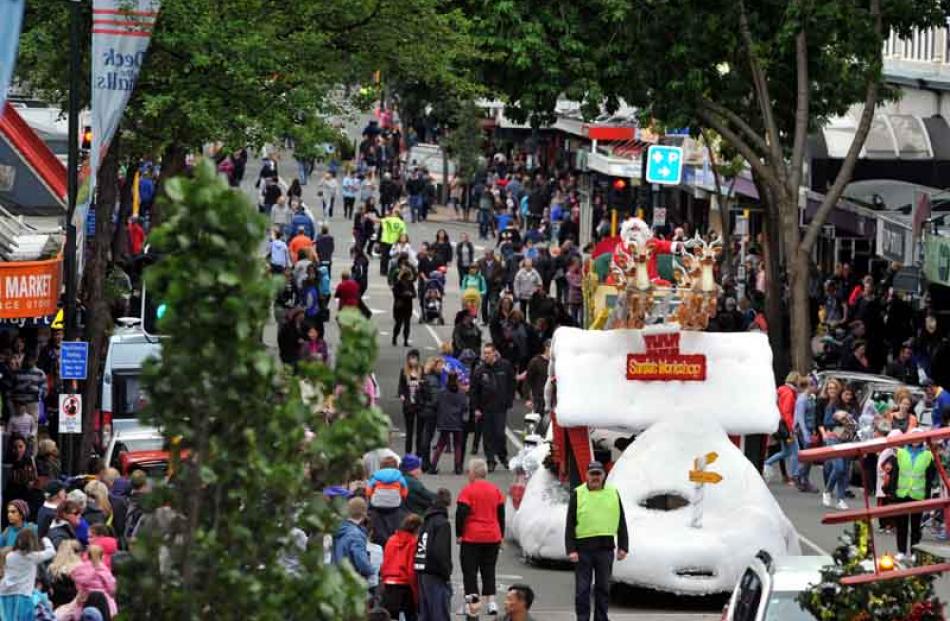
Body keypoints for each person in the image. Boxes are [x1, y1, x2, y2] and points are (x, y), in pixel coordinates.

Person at [566, 461, 629, 621]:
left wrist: (623, 545)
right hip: (583, 550)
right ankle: (582, 618)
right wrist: (571, 549)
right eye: (592, 474)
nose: (595, 477)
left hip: (605, 549)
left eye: (598, 474)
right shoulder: (578, 493)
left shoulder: (613, 492)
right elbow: (570, 524)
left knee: (603, 588)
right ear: (586, 475)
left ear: (603, 476)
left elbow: (621, 520)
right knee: (582, 590)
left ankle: (601, 618)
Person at [457, 458, 505, 617]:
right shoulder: (495, 490)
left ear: (472, 473)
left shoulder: (468, 491)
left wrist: (459, 534)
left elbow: (461, 514)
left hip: (472, 536)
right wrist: (501, 535)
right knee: (489, 569)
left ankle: (472, 604)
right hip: (493, 535)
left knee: (470, 571)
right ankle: (491, 601)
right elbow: (501, 514)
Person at [884, 432, 936, 557]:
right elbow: (894, 474)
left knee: (916, 527)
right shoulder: (900, 453)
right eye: (913, 438)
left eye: (918, 439)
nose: (915, 441)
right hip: (901, 494)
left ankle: (914, 552)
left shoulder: (928, 455)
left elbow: (930, 478)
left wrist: (927, 497)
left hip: (918, 495)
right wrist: (892, 493)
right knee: (901, 525)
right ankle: (901, 551)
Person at [470, 344, 516, 472]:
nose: (486, 356)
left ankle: (503, 456)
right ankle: (490, 460)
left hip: (500, 407)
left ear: (495, 353)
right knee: (487, 436)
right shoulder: (480, 371)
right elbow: (474, 391)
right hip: (485, 408)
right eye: (484, 353)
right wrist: (476, 408)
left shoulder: (505, 366)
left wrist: (509, 400)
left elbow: (512, 383)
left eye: (489, 353)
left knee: (500, 434)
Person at [414, 488, 453, 621]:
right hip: (435, 573)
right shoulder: (442, 523)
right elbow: (440, 551)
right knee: (439, 614)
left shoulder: (426, 520)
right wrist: (446, 572)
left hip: (422, 570)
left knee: (425, 614)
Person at [0, 530, 54, 620]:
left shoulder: (9, 556)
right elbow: (51, 552)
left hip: (4, 593)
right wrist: (45, 539)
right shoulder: (33, 557)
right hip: (23, 595)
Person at [381, 513, 422, 621]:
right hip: (404, 585)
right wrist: (416, 593)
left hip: (389, 584)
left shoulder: (391, 540)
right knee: (411, 616)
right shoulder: (413, 542)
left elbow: (385, 562)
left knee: (391, 617)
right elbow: (411, 570)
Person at [764, 372, 802, 485]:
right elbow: (787, 412)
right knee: (795, 452)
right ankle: (795, 476)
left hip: (780, 425)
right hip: (786, 427)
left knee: (785, 451)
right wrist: (791, 429)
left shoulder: (782, 390)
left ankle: (767, 463)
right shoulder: (789, 393)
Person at [431, 371, 468, 474]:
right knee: (458, 445)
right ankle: (458, 467)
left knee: (440, 445)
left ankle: (433, 466)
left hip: (444, 421)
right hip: (457, 421)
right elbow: (465, 407)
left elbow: (435, 404)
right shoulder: (461, 393)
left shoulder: (442, 392)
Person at [332, 497, 375, 580]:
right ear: (363, 513)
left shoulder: (338, 529)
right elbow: (361, 560)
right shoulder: (356, 535)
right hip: (351, 580)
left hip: (336, 578)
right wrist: (371, 571)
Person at [418, 357, 444, 471]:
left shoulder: (425, 377)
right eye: (441, 365)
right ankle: (426, 463)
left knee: (424, 436)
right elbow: (435, 398)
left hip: (423, 410)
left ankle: (424, 462)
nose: (442, 368)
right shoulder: (434, 380)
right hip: (431, 411)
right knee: (427, 437)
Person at [398, 350, 425, 455]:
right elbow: (401, 386)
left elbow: (425, 386)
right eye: (411, 358)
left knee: (420, 432)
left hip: (419, 404)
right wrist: (402, 395)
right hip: (409, 404)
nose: (412, 361)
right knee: (409, 431)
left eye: (414, 358)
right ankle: (408, 453)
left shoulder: (422, 371)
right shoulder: (404, 371)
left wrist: (420, 385)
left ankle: (418, 453)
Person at [48, 539, 82, 609]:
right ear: (77, 552)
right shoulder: (79, 567)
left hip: (56, 605)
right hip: (73, 606)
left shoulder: (52, 568)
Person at [391, 265, 415, 347]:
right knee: (398, 323)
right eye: (406, 275)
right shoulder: (398, 283)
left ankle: (405, 340)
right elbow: (395, 293)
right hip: (400, 306)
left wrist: (410, 294)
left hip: (408, 306)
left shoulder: (410, 283)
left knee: (407, 325)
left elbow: (414, 294)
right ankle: (394, 337)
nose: (407, 277)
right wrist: (404, 294)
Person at [379, 209, 407, 276]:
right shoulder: (402, 223)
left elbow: (378, 220)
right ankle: (394, 271)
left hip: (385, 241)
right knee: (395, 257)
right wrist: (403, 244)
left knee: (384, 257)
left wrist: (369, 217)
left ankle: (383, 271)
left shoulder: (388, 219)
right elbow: (403, 235)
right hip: (394, 242)